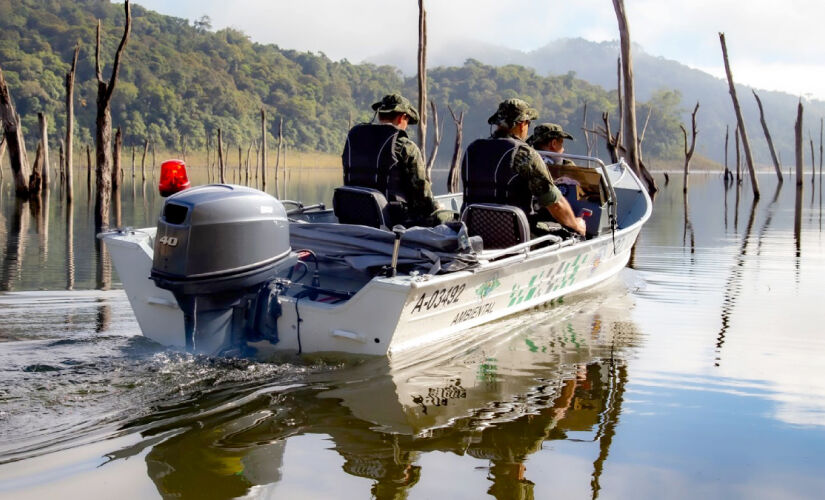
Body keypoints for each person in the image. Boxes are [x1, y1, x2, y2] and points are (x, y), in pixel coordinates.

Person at [461, 99, 586, 236]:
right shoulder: (524, 154)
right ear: (522, 124)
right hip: (514, 237)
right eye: (529, 123)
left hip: (472, 232)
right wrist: (576, 224)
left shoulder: (473, 149)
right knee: (569, 233)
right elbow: (554, 203)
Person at [341, 92, 439, 226]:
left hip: (353, 217)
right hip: (393, 222)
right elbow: (422, 197)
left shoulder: (356, 141)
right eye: (408, 121)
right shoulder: (405, 146)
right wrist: (437, 208)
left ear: (380, 115)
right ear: (402, 117)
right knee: (447, 216)